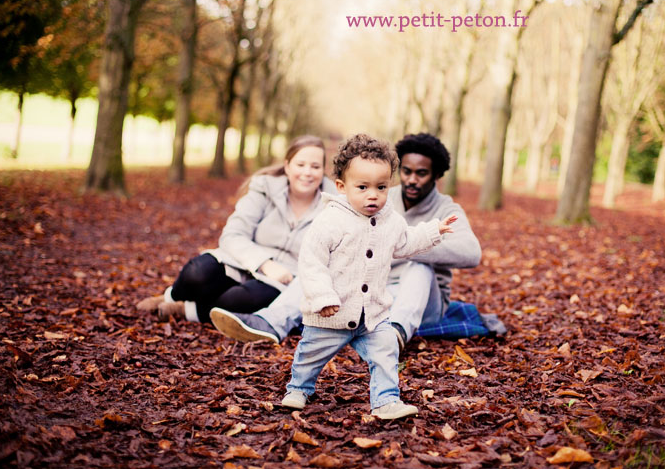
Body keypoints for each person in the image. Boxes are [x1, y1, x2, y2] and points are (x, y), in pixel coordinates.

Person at [208, 132, 481, 348]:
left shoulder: (447, 209)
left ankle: (394, 334)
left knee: (420, 267)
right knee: (326, 266)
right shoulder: (382, 196)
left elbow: (471, 253)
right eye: (406, 171)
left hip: (422, 302)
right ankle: (268, 322)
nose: (411, 179)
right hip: (375, 290)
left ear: (436, 175)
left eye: (421, 173)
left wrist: (407, 245)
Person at [279, 134, 456, 420]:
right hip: (331, 313)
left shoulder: (390, 218)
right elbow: (312, 262)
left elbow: (405, 242)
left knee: (386, 351)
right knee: (311, 354)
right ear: (341, 186)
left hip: (372, 315)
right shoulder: (330, 220)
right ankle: (299, 387)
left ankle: (386, 400)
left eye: (381, 187)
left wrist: (433, 231)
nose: (373, 194)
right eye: (362, 187)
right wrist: (322, 297)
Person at [136, 135, 336, 325]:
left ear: (323, 171)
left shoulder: (333, 206)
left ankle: (185, 310)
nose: (307, 172)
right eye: (300, 165)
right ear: (287, 166)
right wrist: (264, 263)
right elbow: (232, 235)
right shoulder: (265, 189)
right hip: (241, 261)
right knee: (196, 273)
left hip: (285, 279)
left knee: (237, 301)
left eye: (315, 166)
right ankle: (169, 297)